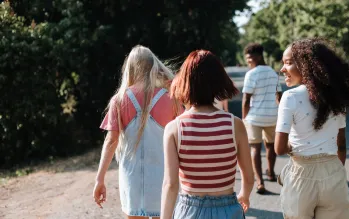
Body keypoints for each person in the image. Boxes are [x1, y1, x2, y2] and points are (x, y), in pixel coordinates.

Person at [161, 50, 254, 219]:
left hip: (190, 211)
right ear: (219, 82)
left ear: (184, 82)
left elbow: (171, 184)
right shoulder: (235, 125)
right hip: (228, 210)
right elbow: (248, 176)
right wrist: (244, 194)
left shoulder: (175, 128)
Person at [93, 45, 181, 219]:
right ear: (153, 66)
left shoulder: (119, 99)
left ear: (130, 68)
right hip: (163, 177)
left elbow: (111, 141)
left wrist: (99, 179)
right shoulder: (170, 98)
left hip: (131, 177)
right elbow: (183, 137)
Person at [276, 38, 349, 219]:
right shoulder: (337, 97)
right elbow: (341, 144)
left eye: (288, 63)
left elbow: (280, 148)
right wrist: (335, 172)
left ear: (306, 66)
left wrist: (294, 144)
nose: (282, 69)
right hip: (333, 172)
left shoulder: (290, 97)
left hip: (301, 175)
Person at [241, 43, 282, 194]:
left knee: (255, 148)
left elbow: (246, 100)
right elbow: (279, 96)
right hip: (272, 116)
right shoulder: (273, 73)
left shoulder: (251, 74)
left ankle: (260, 182)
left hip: (255, 118)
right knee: (271, 146)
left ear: (258, 57)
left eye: (250, 59)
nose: (248, 62)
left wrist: (244, 119)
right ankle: (270, 172)